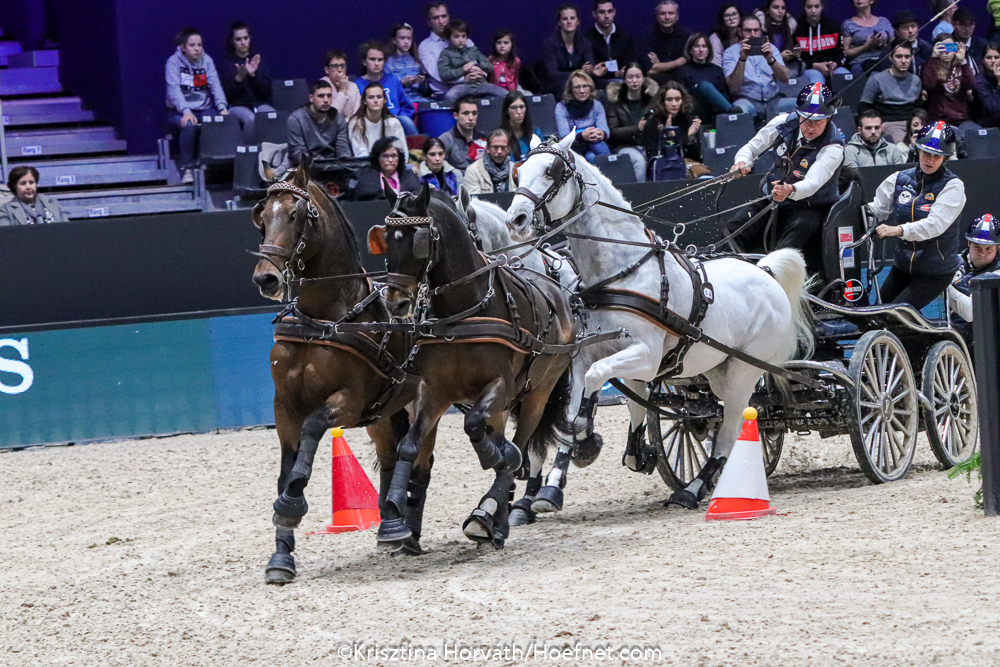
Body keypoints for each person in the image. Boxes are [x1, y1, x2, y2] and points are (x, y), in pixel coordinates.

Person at [728, 83, 845, 273]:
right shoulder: (782, 123)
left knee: (787, 247)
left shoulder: (833, 146)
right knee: (733, 230)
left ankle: (772, 279)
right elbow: (751, 147)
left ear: (829, 118)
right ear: (798, 114)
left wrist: (790, 190)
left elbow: (812, 183)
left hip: (809, 206)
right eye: (806, 120)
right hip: (772, 197)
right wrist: (741, 162)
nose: (811, 127)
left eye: (818, 122)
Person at [865, 121, 966, 310]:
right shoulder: (898, 179)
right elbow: (876, 209)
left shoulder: (953, 186)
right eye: (926, 153)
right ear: (918, 150)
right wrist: (858, 215)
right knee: (875, 313)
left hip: (935, 271)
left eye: (937, 156)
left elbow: (934, 225)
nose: (930, 160)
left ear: (945, 158)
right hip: (903, 266)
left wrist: (899, 230)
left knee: (896, 316)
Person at [165, 27, 229, 184]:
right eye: (192, 45)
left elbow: (215, 85)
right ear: (183, 47)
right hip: (178, 111)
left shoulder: (207, 60)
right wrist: (186, 111)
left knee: (216, 122)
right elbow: (174, 90)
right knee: (189, 125)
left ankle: (207, 165)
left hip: (204, 108)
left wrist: (222, 108)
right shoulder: (173, 62)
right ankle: (187, 168)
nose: (197, 48)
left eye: (199, 45)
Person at [723, 15, 793, 122]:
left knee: (806, 105)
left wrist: (770, 59)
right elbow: (733, 88)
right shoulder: (730, 52)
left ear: (761, 31)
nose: (753, 34)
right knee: (738, 111)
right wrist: (742, 59)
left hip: (773, 100)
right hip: (747, 100)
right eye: (748, 31)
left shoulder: (771, 48)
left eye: (756, 30)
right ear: (740, 32)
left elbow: (785, 78)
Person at [217, 21, 274, 144]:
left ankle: (273, 152)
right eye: (238, 39)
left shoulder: (258, 61)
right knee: (250, 119)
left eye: (245, 38)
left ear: (250, 39)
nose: (243, 42)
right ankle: (248, 152)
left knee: (272, 115)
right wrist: (238, 78)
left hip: (259, 104)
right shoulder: (225, 64)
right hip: (237, 106)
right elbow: (227, 97)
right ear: (232, 41)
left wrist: (253, 75)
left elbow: (266, 92)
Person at [858, 41, 923, 144]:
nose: (903, 61)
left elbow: (919, 107)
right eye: (899, 56)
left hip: (913, 123)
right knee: (904, 144)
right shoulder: (877, 80)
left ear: (912, 58)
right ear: (890, 57)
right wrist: (879, 123)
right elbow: (864, 107)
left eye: (907, 57)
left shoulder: (916, 80)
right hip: (890, 123)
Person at [605, 63, 658, 181]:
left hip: (646, 145)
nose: (634, 80)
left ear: (643, 79)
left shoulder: (652, 101)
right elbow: (613, 132)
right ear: (624, 79)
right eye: (630, 77)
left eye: (638, 76)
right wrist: (637, 128)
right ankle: (639, 192)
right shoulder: (615, 102)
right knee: (639, 161)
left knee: (657, 159)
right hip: (623, 146)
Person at [437, 19, 509, 104]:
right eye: (456, 37)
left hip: (481, 84)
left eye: (463, 36)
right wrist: (463, 69)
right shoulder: (446, 53)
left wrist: (477, 66)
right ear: (449, 37)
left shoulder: (473, 50)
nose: (461, 40)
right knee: (450, 96)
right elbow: (444, 74)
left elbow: (490, 67)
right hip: (462, 85)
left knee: (507, 95)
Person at [355, 42, 418, 136]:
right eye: (372, 59)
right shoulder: (357, 85)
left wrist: (400, 118)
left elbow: (407, 107)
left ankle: (417, 144)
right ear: (364, 62)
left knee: (406, 121)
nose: (376, 63)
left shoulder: (393, 80)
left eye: (380, 60)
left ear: (385, 61)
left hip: (396, 121)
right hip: (371, 123)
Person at [286, 80, 352, 167]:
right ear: (311, 98)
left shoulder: (338, 118)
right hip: (307, 167)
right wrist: (321, 166)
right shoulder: (296, 119)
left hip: (334, 166)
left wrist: (345, 164)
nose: (326, 100)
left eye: (329, 96)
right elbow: (298, 154)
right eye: (321, 96)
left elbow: (343, 148)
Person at [948, 215, 1000, 324]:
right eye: (977, 247)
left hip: (975, 331)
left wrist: (942, 285)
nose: (982, 253)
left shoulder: (997, 275)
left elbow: (971, 313)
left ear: (998, 247)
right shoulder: (953, 262)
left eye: (988, 249)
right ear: (968, 243)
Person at [542, 5, 602, 95]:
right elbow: (553, 74)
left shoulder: (584, 42)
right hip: (557, 84)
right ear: (559, 23)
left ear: (578, 22)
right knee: (564, 86)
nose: (569, 21)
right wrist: (579, 72)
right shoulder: (550, 43)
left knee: (603, 83)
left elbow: (589, 66)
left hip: (581, 80)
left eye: (572, 18)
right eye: (565, 19)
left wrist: (593, 71)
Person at [419, 2, 476, 99]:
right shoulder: (425, 46)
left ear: (448, 17)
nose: (441, 21)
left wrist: (478, 74)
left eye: (444, 16)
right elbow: (437, 74)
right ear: (429, 22)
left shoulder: (465, 40)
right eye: (436, 18)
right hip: (443, 94)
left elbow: (475, 62)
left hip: (470, 89)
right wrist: (464, 79)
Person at [923, 35, 979, 132]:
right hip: (939, 120)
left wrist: (963, 61)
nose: (946, 52)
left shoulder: (961, 66)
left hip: (962, 119)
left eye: (950, 47)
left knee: (978, 135)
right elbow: (929, 85)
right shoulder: (930, 67)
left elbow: (971, 85)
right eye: (942, 48)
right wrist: (933, 58)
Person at [676, 33, 736, 118]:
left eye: (704, 46)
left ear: (709, 50)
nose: (701, 50)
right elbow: (681, 96)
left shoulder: (716, 70)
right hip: (695, 109)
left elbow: (726, 95)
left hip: (715, 110)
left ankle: (731, 112)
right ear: (690, 50)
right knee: (704, 85)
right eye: (697, 46)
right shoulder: (683, 70)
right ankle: (732, 111)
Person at [642, 81, 703, 165]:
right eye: (669, 100)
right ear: (662, 101)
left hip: (688, 167)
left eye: (677, 99)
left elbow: (696, 157)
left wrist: (690, 138)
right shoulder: (652, 123)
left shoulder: (689, 121)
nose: (674, 104)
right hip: (664, 168)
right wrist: (670, 138)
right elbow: (653, 158)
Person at [555, 70, 611, 162]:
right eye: (577, 87)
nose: (582, 91)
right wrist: (581, 136)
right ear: (570, 90)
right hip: (573, 147)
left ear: (590, 88)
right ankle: (611, 166)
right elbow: (564, 135)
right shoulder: (561, 107)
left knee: (592, 155)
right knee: (594, 152)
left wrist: (600, 134)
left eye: (585, 86)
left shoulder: (597, 105)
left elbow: (605, 129)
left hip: (593, 145)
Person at [349, 82, 408, 162]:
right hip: (366, 165)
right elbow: (360, 154)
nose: (375, 100)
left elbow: (402, 152)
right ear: (364, 101)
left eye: (379, 97)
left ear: (384, 100)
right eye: (371, 97)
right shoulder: (356, 123)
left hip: (391, 164)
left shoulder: (394, 123)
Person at [792, 0, 847, 85]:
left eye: (817, 7)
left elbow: (842, 53)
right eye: (809, 7)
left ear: (822, 7)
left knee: (845, 76)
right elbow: (796, 57)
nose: (813, 11)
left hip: (833, 67)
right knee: (817, 80)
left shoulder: (833, 27)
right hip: (809, 69)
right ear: (804, 8)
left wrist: (835, 64)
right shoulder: (797, 29)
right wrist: (814, 65)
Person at [641, 0, 692, 85]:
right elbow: (651, 70)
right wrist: (677, 62)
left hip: (682, 82)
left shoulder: (687, 35)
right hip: (657, 83)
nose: (667, 17)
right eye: (662, 13)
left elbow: (691, 66)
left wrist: (660, 65)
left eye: (671, 13)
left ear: (677, 16)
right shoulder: (648, 35)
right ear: (657, 16)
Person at [353, 137, 420, 201]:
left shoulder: (410, 176)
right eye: (385, 156)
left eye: (394, 155)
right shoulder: (366, 178)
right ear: (377, 158)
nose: (390, 160)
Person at [586, 1, 636, 83]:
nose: (606, 16)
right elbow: (593, 69)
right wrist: (615, 74)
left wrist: (625, 70)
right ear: (594, 14)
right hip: (599, 81)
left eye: (610, 11)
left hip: (624, 79)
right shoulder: (586, 39)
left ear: (614, 12)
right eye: (602, 12)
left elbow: (629, 61)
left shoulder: (625, 36)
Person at [841, 0, 893, 76]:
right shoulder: (848, 24)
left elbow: (894, 45)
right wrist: (866, 46)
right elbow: (845, 52)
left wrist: (882, 43)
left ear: (871, 1)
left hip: (883, 61)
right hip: (860, 63)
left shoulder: (884, 21)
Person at [0, 166, 66, 226]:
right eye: (23, 183)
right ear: (14, 186)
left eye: (31, 182)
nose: (28, 187)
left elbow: (66, 229)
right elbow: (6, 234)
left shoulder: (53, 203)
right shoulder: (6, 210)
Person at [438, 96, 487, 172]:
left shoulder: (484, 139)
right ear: (456, 115)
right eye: (466, 113)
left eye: (474, 113)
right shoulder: (445, 140)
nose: (471, 118)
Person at [386, 23, 431, 105]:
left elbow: (425, 92)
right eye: (402, 38)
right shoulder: (387, 63)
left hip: (418, 100)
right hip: (398, 101)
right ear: (394, 40)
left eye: (409, 38)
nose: (406, 42)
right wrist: (402, 83)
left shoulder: (417, 62)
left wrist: (422, 82)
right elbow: (386, 89)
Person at [754, 0, 799, 76]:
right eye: (776, 7)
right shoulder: (759, 31)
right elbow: (756, 60)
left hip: (787, 66)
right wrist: (779, 57)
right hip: (766, 69)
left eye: (783, 8)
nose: (780, 11)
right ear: (767, 10)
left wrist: (794, 54)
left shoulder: (788, 27)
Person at [464, 129, 515, 194]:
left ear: (508, 149)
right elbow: (474, 199)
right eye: (495, 147)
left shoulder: (516, 170)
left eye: (503, 147)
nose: (499, 151)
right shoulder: (473, 171)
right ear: (487, 148)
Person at [501, 90, 544, 161]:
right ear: (507, 111)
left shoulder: (535, 133)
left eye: (522, 107)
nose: (519, 112)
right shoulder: (500, 136)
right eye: (514, 108)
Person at [885, 10, 932, 74]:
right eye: (905, 28)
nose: (910, 31)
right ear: (897, 32)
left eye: (913, 26)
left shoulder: (927, 48)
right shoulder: (889, 51)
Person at [322, 50, 360, 118]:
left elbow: (358, 114)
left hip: (351, 123)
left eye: (342, 66)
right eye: (335, 66)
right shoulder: (322, 86)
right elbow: (332, 115)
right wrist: (342, 90)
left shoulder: (353, 86)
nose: (340, 70)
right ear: (327, 70)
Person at [951, 7, 988, 77]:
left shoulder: (982, 44)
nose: (967, 29)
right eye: (962, 24)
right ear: (953, 25)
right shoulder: (948, 45)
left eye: (971, 24)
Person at [974, 43, 1000, 127]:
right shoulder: (980, 81)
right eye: (988, 58)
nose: (993, 61)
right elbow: (994, 109)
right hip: (986, 121)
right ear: (983, 60)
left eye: (996, 57)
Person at [710, 3, 743, 67]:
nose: (731, 18)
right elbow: (716, 66)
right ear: (722, 19)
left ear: (740, 16)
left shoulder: (745, 34)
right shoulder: (715, 38)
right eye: (727, 15)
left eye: (734, 14)